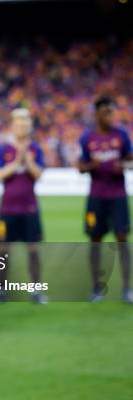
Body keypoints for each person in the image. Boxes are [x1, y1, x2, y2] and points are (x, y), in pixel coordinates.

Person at [78, 96, 133, 303]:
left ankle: (127, 289)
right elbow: (81, 167)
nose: (111, 116)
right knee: (95, 241)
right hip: (96, 198)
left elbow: (130, 160)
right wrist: (92, 165)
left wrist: (124, 166)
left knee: (122, 239)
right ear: (97, 114)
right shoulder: (87, 138)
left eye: (112, 111)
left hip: (118, 197)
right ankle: (96, 288)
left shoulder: (121, 136)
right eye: (106, 112)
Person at [0, 108, 47, 304]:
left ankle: (36, 291)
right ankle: (0, 290)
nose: (22, 126)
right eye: (18, 122)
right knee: (3, 251)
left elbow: (39, 175)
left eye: (25, 122)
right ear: (12, 126)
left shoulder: (36, 149)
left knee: (33, 250)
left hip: (30, 209)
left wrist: (28, 161)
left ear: (30, 126)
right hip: (8, 209)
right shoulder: (4, 149)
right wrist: (17, 161)